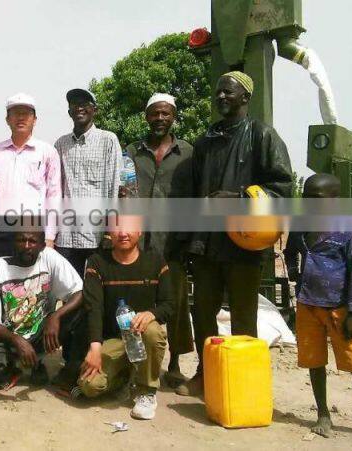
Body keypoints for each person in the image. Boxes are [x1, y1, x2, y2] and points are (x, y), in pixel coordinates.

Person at [178, 71, 293, 396]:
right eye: (218, 92)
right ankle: (206, 372)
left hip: (244, 243)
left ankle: (243, 380)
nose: (221, 97)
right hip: (207, 243)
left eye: (228, 92)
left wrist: (240, 197)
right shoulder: (205, 141)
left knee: (244, 314)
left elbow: (283, 189)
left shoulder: (262, 136)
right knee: (202, 311)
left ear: (246, 97)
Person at [283, 174, 352, 445]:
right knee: (314, 361)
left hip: (339, 310)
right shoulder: (300, 225)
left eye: (317, 199)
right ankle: (323, 414)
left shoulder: (346, 231)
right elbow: (289, 252)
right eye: (306, 197)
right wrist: (297, 276)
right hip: (308, 305)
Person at [124, 93, 194, 386]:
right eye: (154, 114)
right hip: (138, 241)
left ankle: (175, 364)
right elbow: (124, 193)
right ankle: (133, 364)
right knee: (137, 300)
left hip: (173, 242)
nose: (160, 119)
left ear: (173, 117)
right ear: (146, 117)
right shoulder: (131, 151)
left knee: (175, 302)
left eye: (165, 114)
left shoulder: (188, 153)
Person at [78, 215, 173, 420]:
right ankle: (125, 377)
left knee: (153, 330)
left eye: (129, 228)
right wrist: (95, 346)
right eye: (117, 228)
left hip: (141, 337)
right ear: (109, 233)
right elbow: (93, 307)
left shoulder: (155, 261)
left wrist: (152, 314)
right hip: (113, 339)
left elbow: (169, 305)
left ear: (140, 232)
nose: (123, 233)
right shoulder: (97, 262)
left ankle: (147, 391)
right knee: (89, 386)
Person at [0, 230, 86, 392]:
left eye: (32, 241)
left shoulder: (50, 258)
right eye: (21, 240)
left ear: (43, 246)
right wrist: (17, 340)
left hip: (41, 331)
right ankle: (13, 367)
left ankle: (61, 368)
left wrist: (56, 316)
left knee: (80, 311)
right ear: (13, 243)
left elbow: (79, 291)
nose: (27, 246)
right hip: (7, 337)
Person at [0, 93, 61, 264]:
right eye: (15, 113)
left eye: (26, 113)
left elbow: (53, 196)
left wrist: (49, 236)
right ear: (7, 119)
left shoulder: (47, 152)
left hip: (32, 230)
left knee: (32, 283)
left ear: (35, 119)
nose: (20, 118)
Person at [54, 88, 122, 277]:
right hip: (66, 236)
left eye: (84, 104)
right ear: (69, 112)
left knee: (97, 292)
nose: (79, 108)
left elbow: (113, 188)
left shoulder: (107, 140)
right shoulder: (60, 144)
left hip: (96, 236)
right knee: (69, 292)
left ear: (95, 110)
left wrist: (110, 231)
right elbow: (55, 190)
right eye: (74, 105)